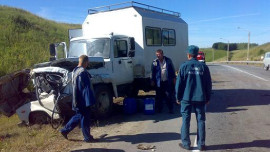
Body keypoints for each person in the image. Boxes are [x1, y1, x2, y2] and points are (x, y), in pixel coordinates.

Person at [175, 45, 212, 151]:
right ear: (197, 55)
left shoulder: (184, 66)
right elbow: (208, 84)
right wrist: (208, 97)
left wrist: (178, 97)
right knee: (201, 120)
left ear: (189, 54)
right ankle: (201, 144)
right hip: (200, 98)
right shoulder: (204, 67)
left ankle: (186, 144)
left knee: (185, 120)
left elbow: (179, 84)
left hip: (186, 98)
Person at [60, 55, 97, 142]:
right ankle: (87, 137)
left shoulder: (75, 70)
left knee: (79, 116)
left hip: (76, 98)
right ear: (86, 62)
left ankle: (65, 130)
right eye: (87, 62)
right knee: (85, 117)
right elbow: (86, 88)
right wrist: (90, 101)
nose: (88, 64)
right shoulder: (83, 72)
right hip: (83, 99)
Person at [151, 49, 176, 113]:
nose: (158, 56)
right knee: (159, 96)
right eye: (157, 55)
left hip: (167, 82)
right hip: (159, 82)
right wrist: (152, 80)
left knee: (168, 95)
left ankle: (171, 109)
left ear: (162, 54)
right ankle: (159, 109)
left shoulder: (168, 61)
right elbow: (153, 72)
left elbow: (172, 70)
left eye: (159, 55)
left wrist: (174, 79)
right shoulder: (155, 62)